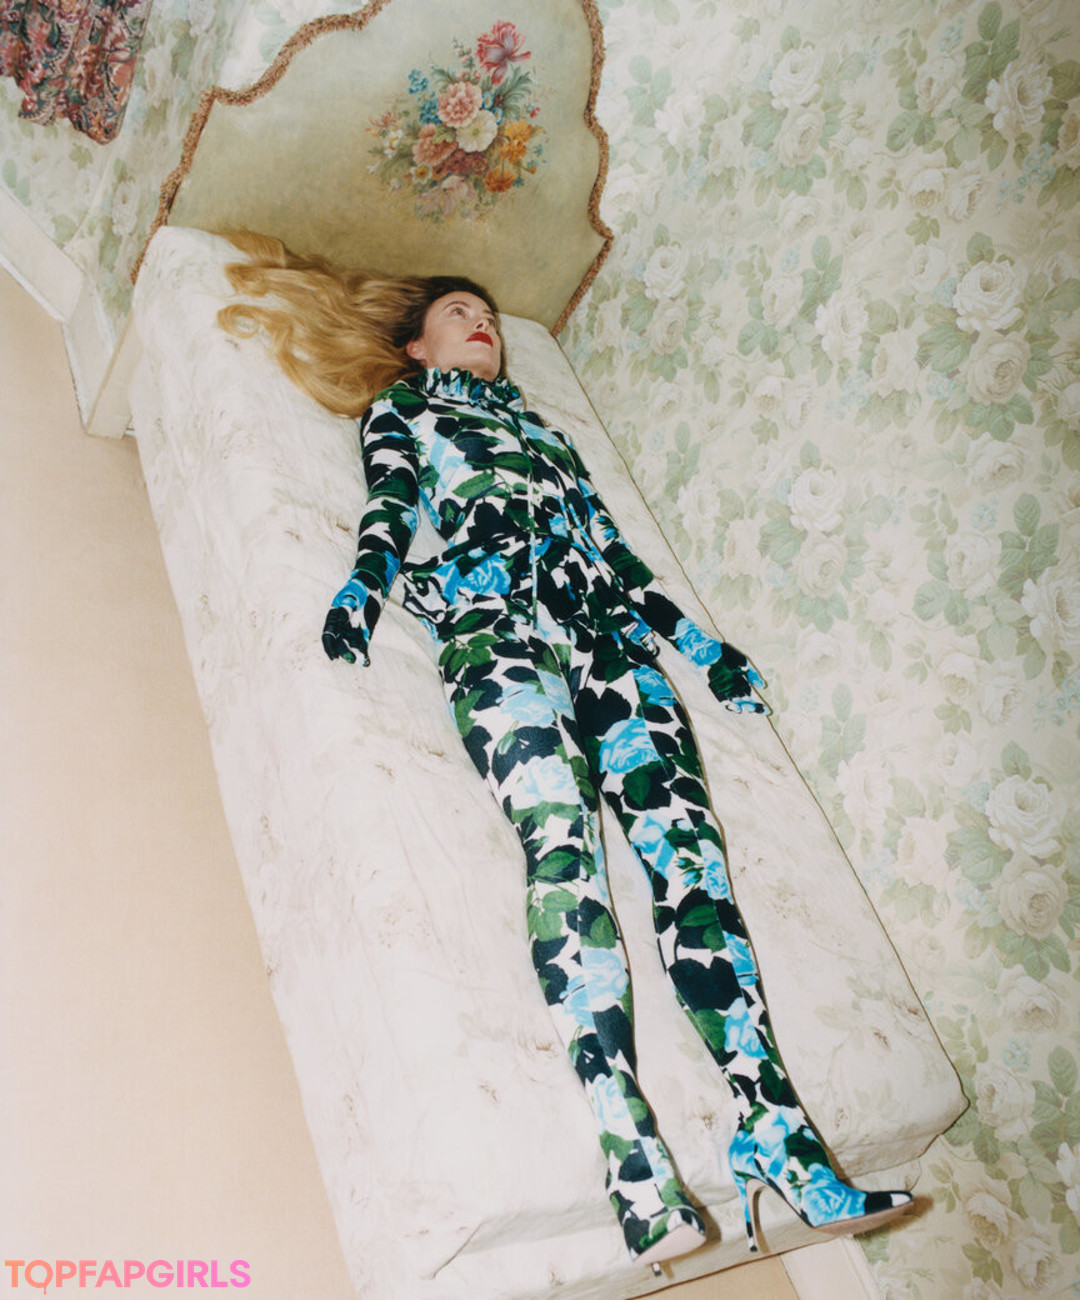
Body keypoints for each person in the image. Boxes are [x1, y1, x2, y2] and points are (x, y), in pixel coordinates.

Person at [219, 233, 913, 1271]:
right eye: (458, 312)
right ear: (416, 346)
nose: (482, 322)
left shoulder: (548, 433)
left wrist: (704, 649)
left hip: (611, 647)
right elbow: (391, 508)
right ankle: (629, 1146)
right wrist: (363, 588)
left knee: (694, 867)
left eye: (487, 314)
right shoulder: (404, 409)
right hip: (495, 631)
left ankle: (778, 1129)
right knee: (562, 845)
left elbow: (615, 556)